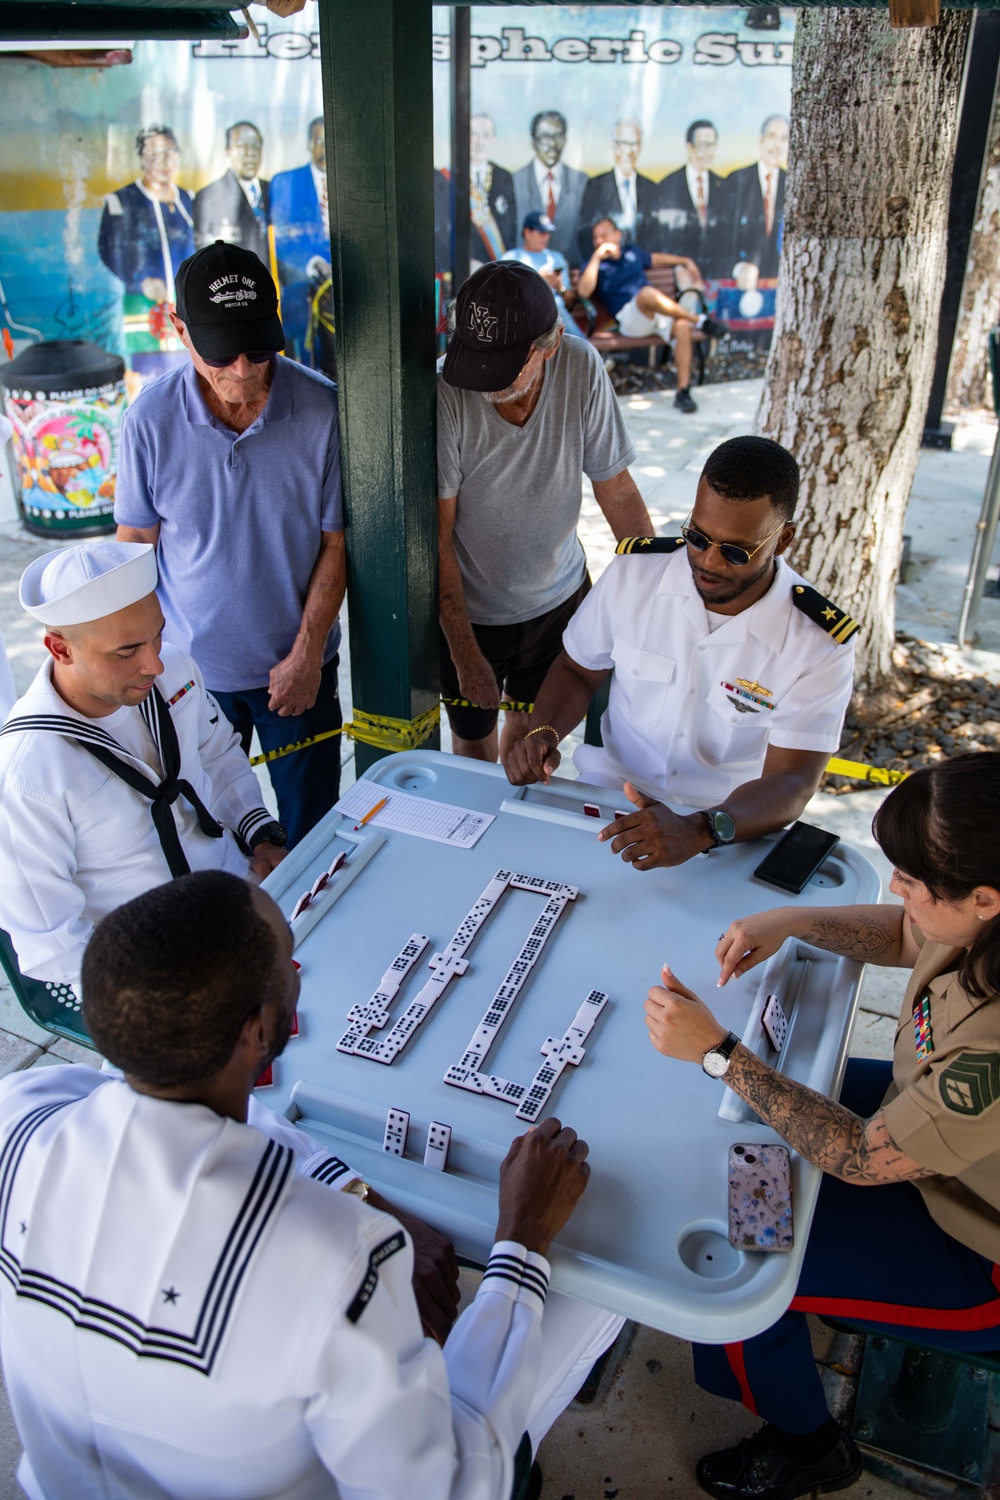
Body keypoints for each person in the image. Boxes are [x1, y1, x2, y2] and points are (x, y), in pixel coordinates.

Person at [0, 869, 622, 1499]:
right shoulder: (334, 1262)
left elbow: (209, 1117)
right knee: (599, 1295)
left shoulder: (21, 1113)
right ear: (260, 1030)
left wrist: (356, 1191)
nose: (298, 972)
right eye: (288, 964)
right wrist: (522, 1238)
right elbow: (449, 1486)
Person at [643, 751, 1000, 1500]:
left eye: (911, 880)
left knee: (738, 1252)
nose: (895, 889)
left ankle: (807, 1446)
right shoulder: (977, 915)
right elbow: (910, 937)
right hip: (924, 1134)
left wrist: (718, 1053)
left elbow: (861, 1158)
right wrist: (797, 920)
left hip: (973, 1242)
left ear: (985, 900)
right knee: (742, 1138)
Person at [503, 436, 856, 871]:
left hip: (729, 826)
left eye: (734, 551)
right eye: (697, 536)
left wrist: (703, 829)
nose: (708, 561)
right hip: (612, 797)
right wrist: (545, 734)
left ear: (782, 541)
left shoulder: (817, 641)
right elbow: (577, 670)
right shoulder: (635, 575)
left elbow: (794, 779)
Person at [115, 240, 345, 846]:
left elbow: (336, 545)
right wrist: (139, 658)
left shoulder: (322, 409)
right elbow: (134, 544)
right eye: (221, 353)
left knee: (313, 829)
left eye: (258, 348)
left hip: (298, 671)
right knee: (206, 827)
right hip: (188, 673)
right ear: (180, 331)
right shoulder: (148, 421)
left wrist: (306, 656)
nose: (243, 369)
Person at [0, 542, 284, 991]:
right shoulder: (27, 770)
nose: (153, 662)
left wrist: (262, 836)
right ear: (60, 649)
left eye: (157, 634)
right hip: (143, 957)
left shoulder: (174, 670)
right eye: (126, 651)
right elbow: (52, 941)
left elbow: (217, 754)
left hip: (234, 885)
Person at [438, 260, 653, 764]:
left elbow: (617, 492)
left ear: (550, 344)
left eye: (504, 363)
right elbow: (438, 534)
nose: (484, 381)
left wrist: (655, 591)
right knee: (472, 744)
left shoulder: (579, 365)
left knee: (532, 738)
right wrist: (463, 650)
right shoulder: (447, 388)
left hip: (557, 597)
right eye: (476, 358)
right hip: (471, 611)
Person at [576, 217, 722, 414]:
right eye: (596, 238)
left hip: (655, 314)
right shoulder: (593, 265)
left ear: (617, 235)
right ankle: (699, 320)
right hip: (629, 320)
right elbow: (584, 292)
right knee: (646, 293)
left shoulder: (632, 252)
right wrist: (596, 258)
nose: (599, 240)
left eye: (604, 235)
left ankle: (683, 391)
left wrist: (686, 261)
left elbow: (658, 259)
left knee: (682, 327)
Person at [98, 124, 195, 374]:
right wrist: (140, 280)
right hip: (143, 306)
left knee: (193, 371)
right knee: (151, 378)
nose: (162, 161)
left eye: (169, 152)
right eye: (154, 154)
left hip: (189, 305)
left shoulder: (189, 200)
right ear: (142, 158)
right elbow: (108, 250)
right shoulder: (121, 201)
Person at [269, 117, 331, 364]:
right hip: (302, 303)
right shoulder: (286, 182)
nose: (326, 149)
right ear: (308, 144)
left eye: (332, 141)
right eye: (319, 141)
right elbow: (283, 240)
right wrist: (314, 263)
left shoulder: (357, 183)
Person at [654, 120, 733, 279]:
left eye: (712, 145)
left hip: (717, 277)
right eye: (704, 145)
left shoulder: (724, 187)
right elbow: (661, 239)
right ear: (690, 148)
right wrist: (676, 269)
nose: (708, 152)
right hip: (680, 278)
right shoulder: (667, 187)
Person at [512, 111, 589, 268]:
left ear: (565, 140)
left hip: (569, 272)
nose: (552, 144)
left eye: (558, 136)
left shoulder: (581, 181)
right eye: (545, 137)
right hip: (524, 274)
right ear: (533, 142)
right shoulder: (515, 181)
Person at [577, 119, 659, 259]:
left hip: (641, 267)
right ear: (614, 146)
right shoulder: (596, 186)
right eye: (625, 144)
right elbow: (586, 232)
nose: (630, 151)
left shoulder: (651, 188)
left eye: (635, 144)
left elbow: (657, 233)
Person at [193, 120, 271, 266]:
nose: (250, 153)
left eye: (256, 146)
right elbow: (206, 257)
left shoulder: (272, 190)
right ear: (228, 151)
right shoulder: (209, 197)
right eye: (242, 146)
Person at [501, 211, 585, 340]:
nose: (545, 238)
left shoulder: (556, 258)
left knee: (556, 309)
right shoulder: (511, 258)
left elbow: (569, 300)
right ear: (527, 233)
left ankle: (581, 347)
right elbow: (505, 295)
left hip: (557, 314)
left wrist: (559, 286)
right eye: (541, 233)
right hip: (526, 315)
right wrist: (536, 280)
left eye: (548, 233)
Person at [728, 114, 788, 284]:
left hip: (779, 282)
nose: (777, 144)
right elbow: (723, 237)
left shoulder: (792, 183)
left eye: (783, 139)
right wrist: (739, 268)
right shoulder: (737, 180)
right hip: (742, 280)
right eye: (772, 136)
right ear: (760, 141)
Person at [471, 113, 517, 260]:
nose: (480, 142)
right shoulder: (450, 177)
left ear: (493, 139)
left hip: (496, 267)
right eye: (474, 134)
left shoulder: (504, 177)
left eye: (486, 135)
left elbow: (510, 229)